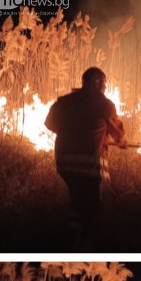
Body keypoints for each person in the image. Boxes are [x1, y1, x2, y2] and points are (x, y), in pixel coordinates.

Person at [44, 67, 125, 249]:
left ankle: (71, 239)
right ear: (97, 82)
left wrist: (71, 134)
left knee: (77, 200)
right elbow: (117, 131)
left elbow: (49, 123)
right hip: (88, 165)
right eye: (104, 84)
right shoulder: (104, 105)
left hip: (65, 163)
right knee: (92, 206)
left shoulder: (64, 102)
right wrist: (121, 140)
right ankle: (87, 246)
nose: (105, 88)